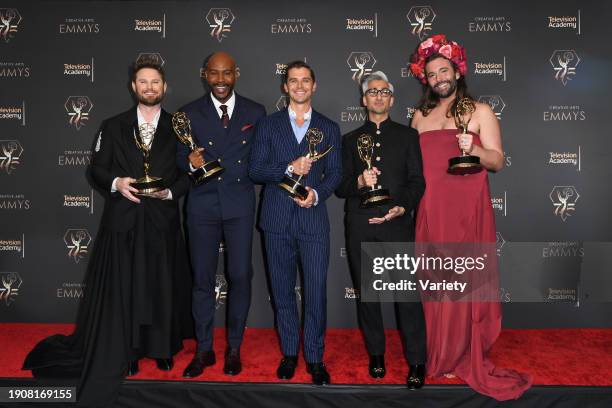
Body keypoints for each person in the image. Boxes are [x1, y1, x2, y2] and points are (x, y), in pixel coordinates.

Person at [23, 56, 193, 406]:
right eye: (143, 82)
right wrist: (117, 182)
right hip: (124, 221)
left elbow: (189, 171)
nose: (149, 88)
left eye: (155, 83)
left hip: (161, 221)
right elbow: (97, 170)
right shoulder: (112, 125)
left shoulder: (180, 126)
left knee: (161, 286)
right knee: (126, 288)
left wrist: (171, 191)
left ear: (164, 87)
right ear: (134, 87)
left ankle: (161, 348)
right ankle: (128, 350)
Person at [409, 34, 532, 400]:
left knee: (463, 283)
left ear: (457, 71)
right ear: (425, 79)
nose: (438, 78)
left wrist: (474, 149)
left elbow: (497, 161)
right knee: (433, 283)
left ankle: (461, 353)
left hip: (467, 210)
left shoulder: (479, 111)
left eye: (443, 70)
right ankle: (438, 352)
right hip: (430, 208)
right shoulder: (419, 115)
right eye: (431, 74)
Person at [249, 61, 342, 385]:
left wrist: (316, 194)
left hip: (313, 222)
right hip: (275, 222)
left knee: (316, 292)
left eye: (305, 80)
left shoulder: (329, 128)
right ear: (285, 87)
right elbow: (256, 170)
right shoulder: (269, 125)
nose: (299, 86)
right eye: (293, 81)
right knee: (283, 292)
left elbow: (336, 175)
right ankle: (290, 353)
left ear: (314, 86)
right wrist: (288, 167)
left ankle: (314, 358)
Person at [335, 71, 427, 389]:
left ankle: (416, 359)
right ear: (364, 100)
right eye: (372, 92)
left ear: (391, 98)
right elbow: (340, 186)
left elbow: (418, 181)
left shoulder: (407, 136)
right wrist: (359, 182)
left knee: (407, 296)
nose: (378, 96)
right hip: (360, 226)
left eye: (384, 92)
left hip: (398, 225)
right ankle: (376, 354)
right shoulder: (348, 141)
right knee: (368, 298)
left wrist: (402, 205)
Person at [177, 52, 266, 378]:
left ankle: (234, 347)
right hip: (202, 206)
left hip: (240, 205)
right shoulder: (187, 114)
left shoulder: (255, 112)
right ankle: (204, 349)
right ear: (204, 75)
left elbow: (261, 159)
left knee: (240, 275)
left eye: (226, 73)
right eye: (214, 74)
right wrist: (189, 163)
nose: (220, 80)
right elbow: (175, 160)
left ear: (236, 74)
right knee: (201, 279)